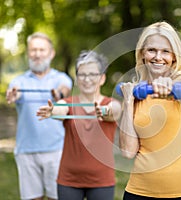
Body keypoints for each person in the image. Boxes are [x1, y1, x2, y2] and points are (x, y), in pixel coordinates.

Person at [119, 21, 181, 200]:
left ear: (174, 56)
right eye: (152, 50)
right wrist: (128, 102)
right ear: (142, 54)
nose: (158, 57)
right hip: (139, 192)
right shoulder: (136, 94)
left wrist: (169, 85)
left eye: (165, 51)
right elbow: (128, 151)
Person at [36, 50, 122, 200]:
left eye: (92, 74)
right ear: (76, 79)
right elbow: (61, 108)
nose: (87, 79)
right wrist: (53, 110)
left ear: (102, 78)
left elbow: (114, 111)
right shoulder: (69, 103)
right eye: (82, 74)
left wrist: (103, 111)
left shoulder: (111, 103)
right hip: (68, 180)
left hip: (102, 181)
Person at [6, 32, 72, 200]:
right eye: (33, 50)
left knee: (57, 197)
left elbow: (64, 89)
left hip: (57, 150)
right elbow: (15, 93)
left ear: (51, 53)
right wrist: (14, 95)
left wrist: (59, 94)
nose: (37, 54)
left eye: (42, 49)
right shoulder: (19, 81)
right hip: (26, 151)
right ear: (28, 53)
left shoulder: (61, 78)